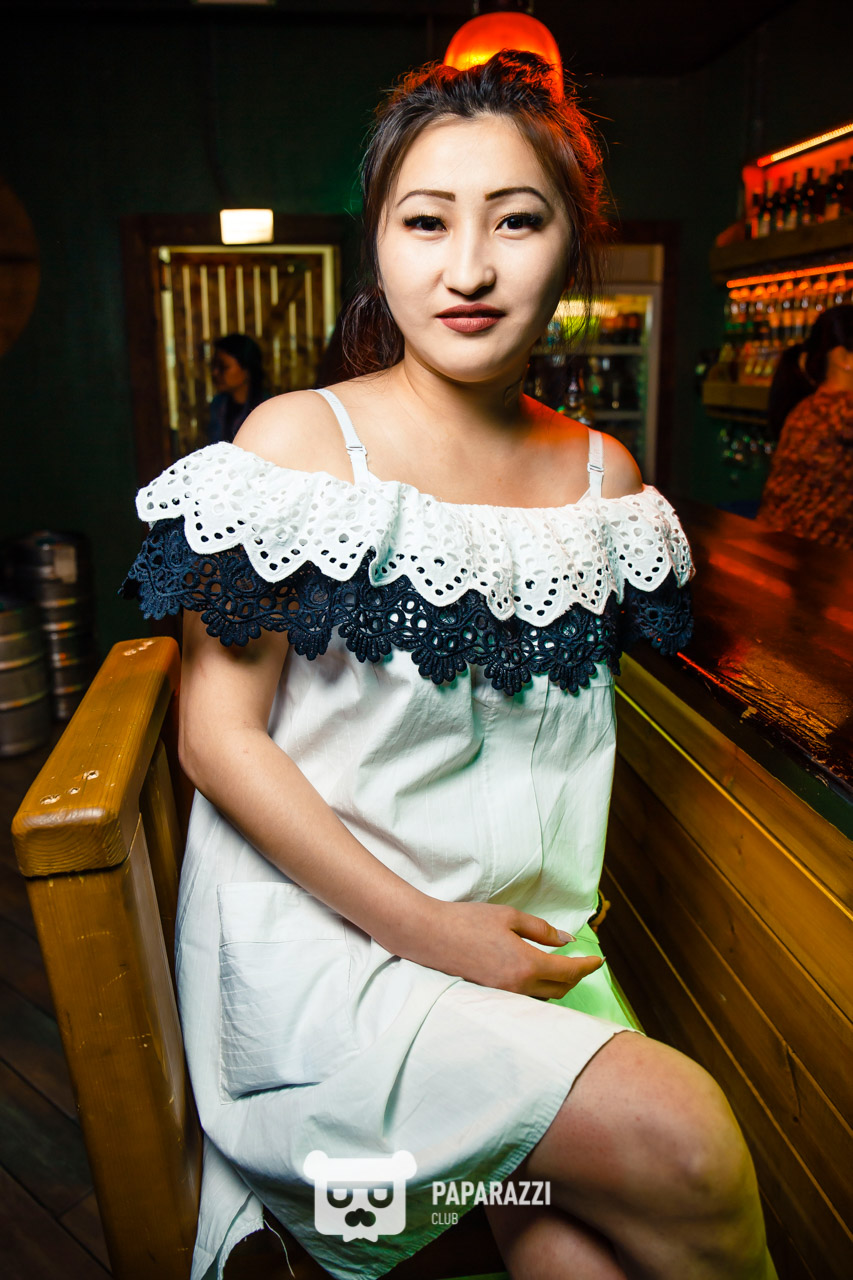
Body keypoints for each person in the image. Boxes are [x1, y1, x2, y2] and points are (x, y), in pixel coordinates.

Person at [123, 52, 777, 1280]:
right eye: (425, 222)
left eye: (515, 221)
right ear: (379, 245)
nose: (467, 268)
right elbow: (216, 738)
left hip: (518, 949)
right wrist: (433, 931)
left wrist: (490, 943)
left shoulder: (605, 482)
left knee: (573, 1250)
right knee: (685, 1138)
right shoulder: (297, 445)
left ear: (570, 247)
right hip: (328, 956)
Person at [756, 304, 853, 549]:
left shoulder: (806, 407)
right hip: (819, 559)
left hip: (779, 548)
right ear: (844, 358)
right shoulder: (844, 410)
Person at [207, 332, 266, 444]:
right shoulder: (217, 405)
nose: (215, 373)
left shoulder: (266, 408)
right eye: (214, 366)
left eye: (223, 367)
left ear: (247, 370)